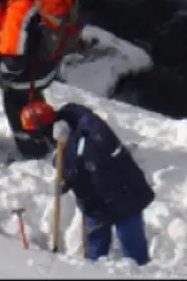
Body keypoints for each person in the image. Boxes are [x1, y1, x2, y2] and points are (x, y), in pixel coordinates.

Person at [20, 100, 154, 266]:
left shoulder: (85, 126)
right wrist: (66, 180)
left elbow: (95, 154)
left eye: (36, 134)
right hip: (95, 201)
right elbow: (76, 166)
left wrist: (71, 157)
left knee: (133, 249)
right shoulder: (58, 139)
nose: (37, 139)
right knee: (95, 252)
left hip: (122, 192)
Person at [0, 0, 81, 160]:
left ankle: (33, 151)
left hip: (29, 75)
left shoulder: (18, 11)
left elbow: (13, 61)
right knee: (35, 104)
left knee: (16, 108)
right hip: (46, 65)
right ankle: (52, 133)